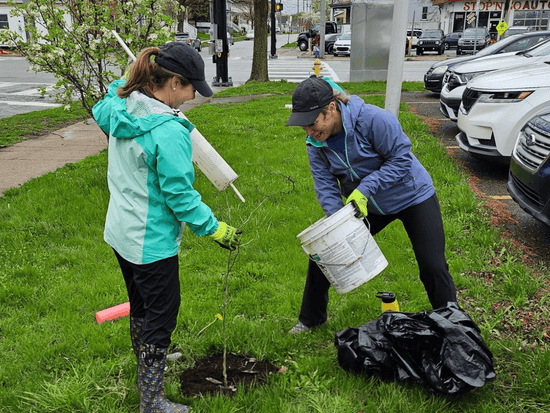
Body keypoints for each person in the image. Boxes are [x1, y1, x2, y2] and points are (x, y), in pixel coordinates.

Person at [92, 42, 242, 412]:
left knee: (141, 306)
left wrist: (130, 79)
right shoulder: (169, 130)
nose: (193, 96)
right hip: (150, 241)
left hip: (121, 232)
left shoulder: (121, 105)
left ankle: (148, 363)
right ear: (174, 82)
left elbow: (113, 89)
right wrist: (213, 228)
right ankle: (153, 400)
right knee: (162, 312)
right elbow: (179, 195)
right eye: (192, 87)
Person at [285, 77, 457, 334]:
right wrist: (337, 226)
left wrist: (365, 189)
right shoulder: (315, 143)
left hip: (412, 196)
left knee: (432, 264)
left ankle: (453, 322)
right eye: (304, 127)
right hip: (367, 206)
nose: (309, 132)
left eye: (312, 123)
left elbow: (401, 161)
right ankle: (311, 320)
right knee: (323, 253)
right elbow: (326, 186)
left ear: (331, 108)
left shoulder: (374, 120)